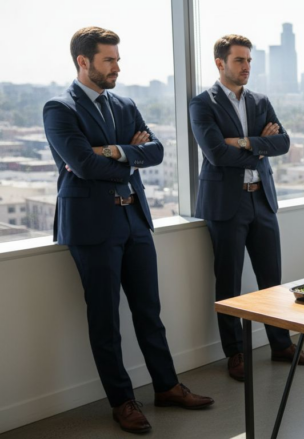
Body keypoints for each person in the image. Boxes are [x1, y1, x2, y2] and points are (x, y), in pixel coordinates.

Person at [43, 27, 213, 434]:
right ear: (84, 62)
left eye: (117, 59)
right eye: (109, 60)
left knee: (149, 311)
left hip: (134, 218)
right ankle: (122, 401)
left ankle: (167, 386)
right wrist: (124, 155)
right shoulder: (59, 108)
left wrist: (115, 150)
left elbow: (155, 151)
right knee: (105, 320)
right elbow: (83, 166)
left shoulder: (125, 103)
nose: (118, 66)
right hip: (91, 226)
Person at [189, 34, 304, 382]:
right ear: (220, 63)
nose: (246, 67)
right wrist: (259, 145)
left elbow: (283, 142)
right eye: (239, 60)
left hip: (261, 199)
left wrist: (245, 142)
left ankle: (281, 345)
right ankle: (235, 354)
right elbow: (216, 153)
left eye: (249, 60)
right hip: (226, 205)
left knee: (272, 280)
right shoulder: (201, 104)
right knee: (229, 282)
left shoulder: (260, 101)